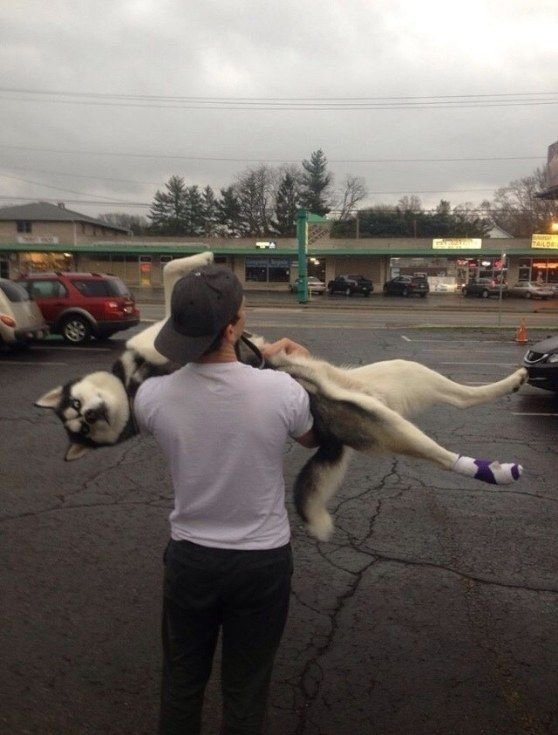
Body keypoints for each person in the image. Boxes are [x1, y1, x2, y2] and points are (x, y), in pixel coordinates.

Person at [133, 264, 317, 735]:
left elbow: (197, 383)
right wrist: (294, 365)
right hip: (261, 563)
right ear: (233, 327)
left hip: (191, 559)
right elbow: (312, 439)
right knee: (245, 687)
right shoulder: (282, 391)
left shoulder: (152, 398)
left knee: (181, 682)